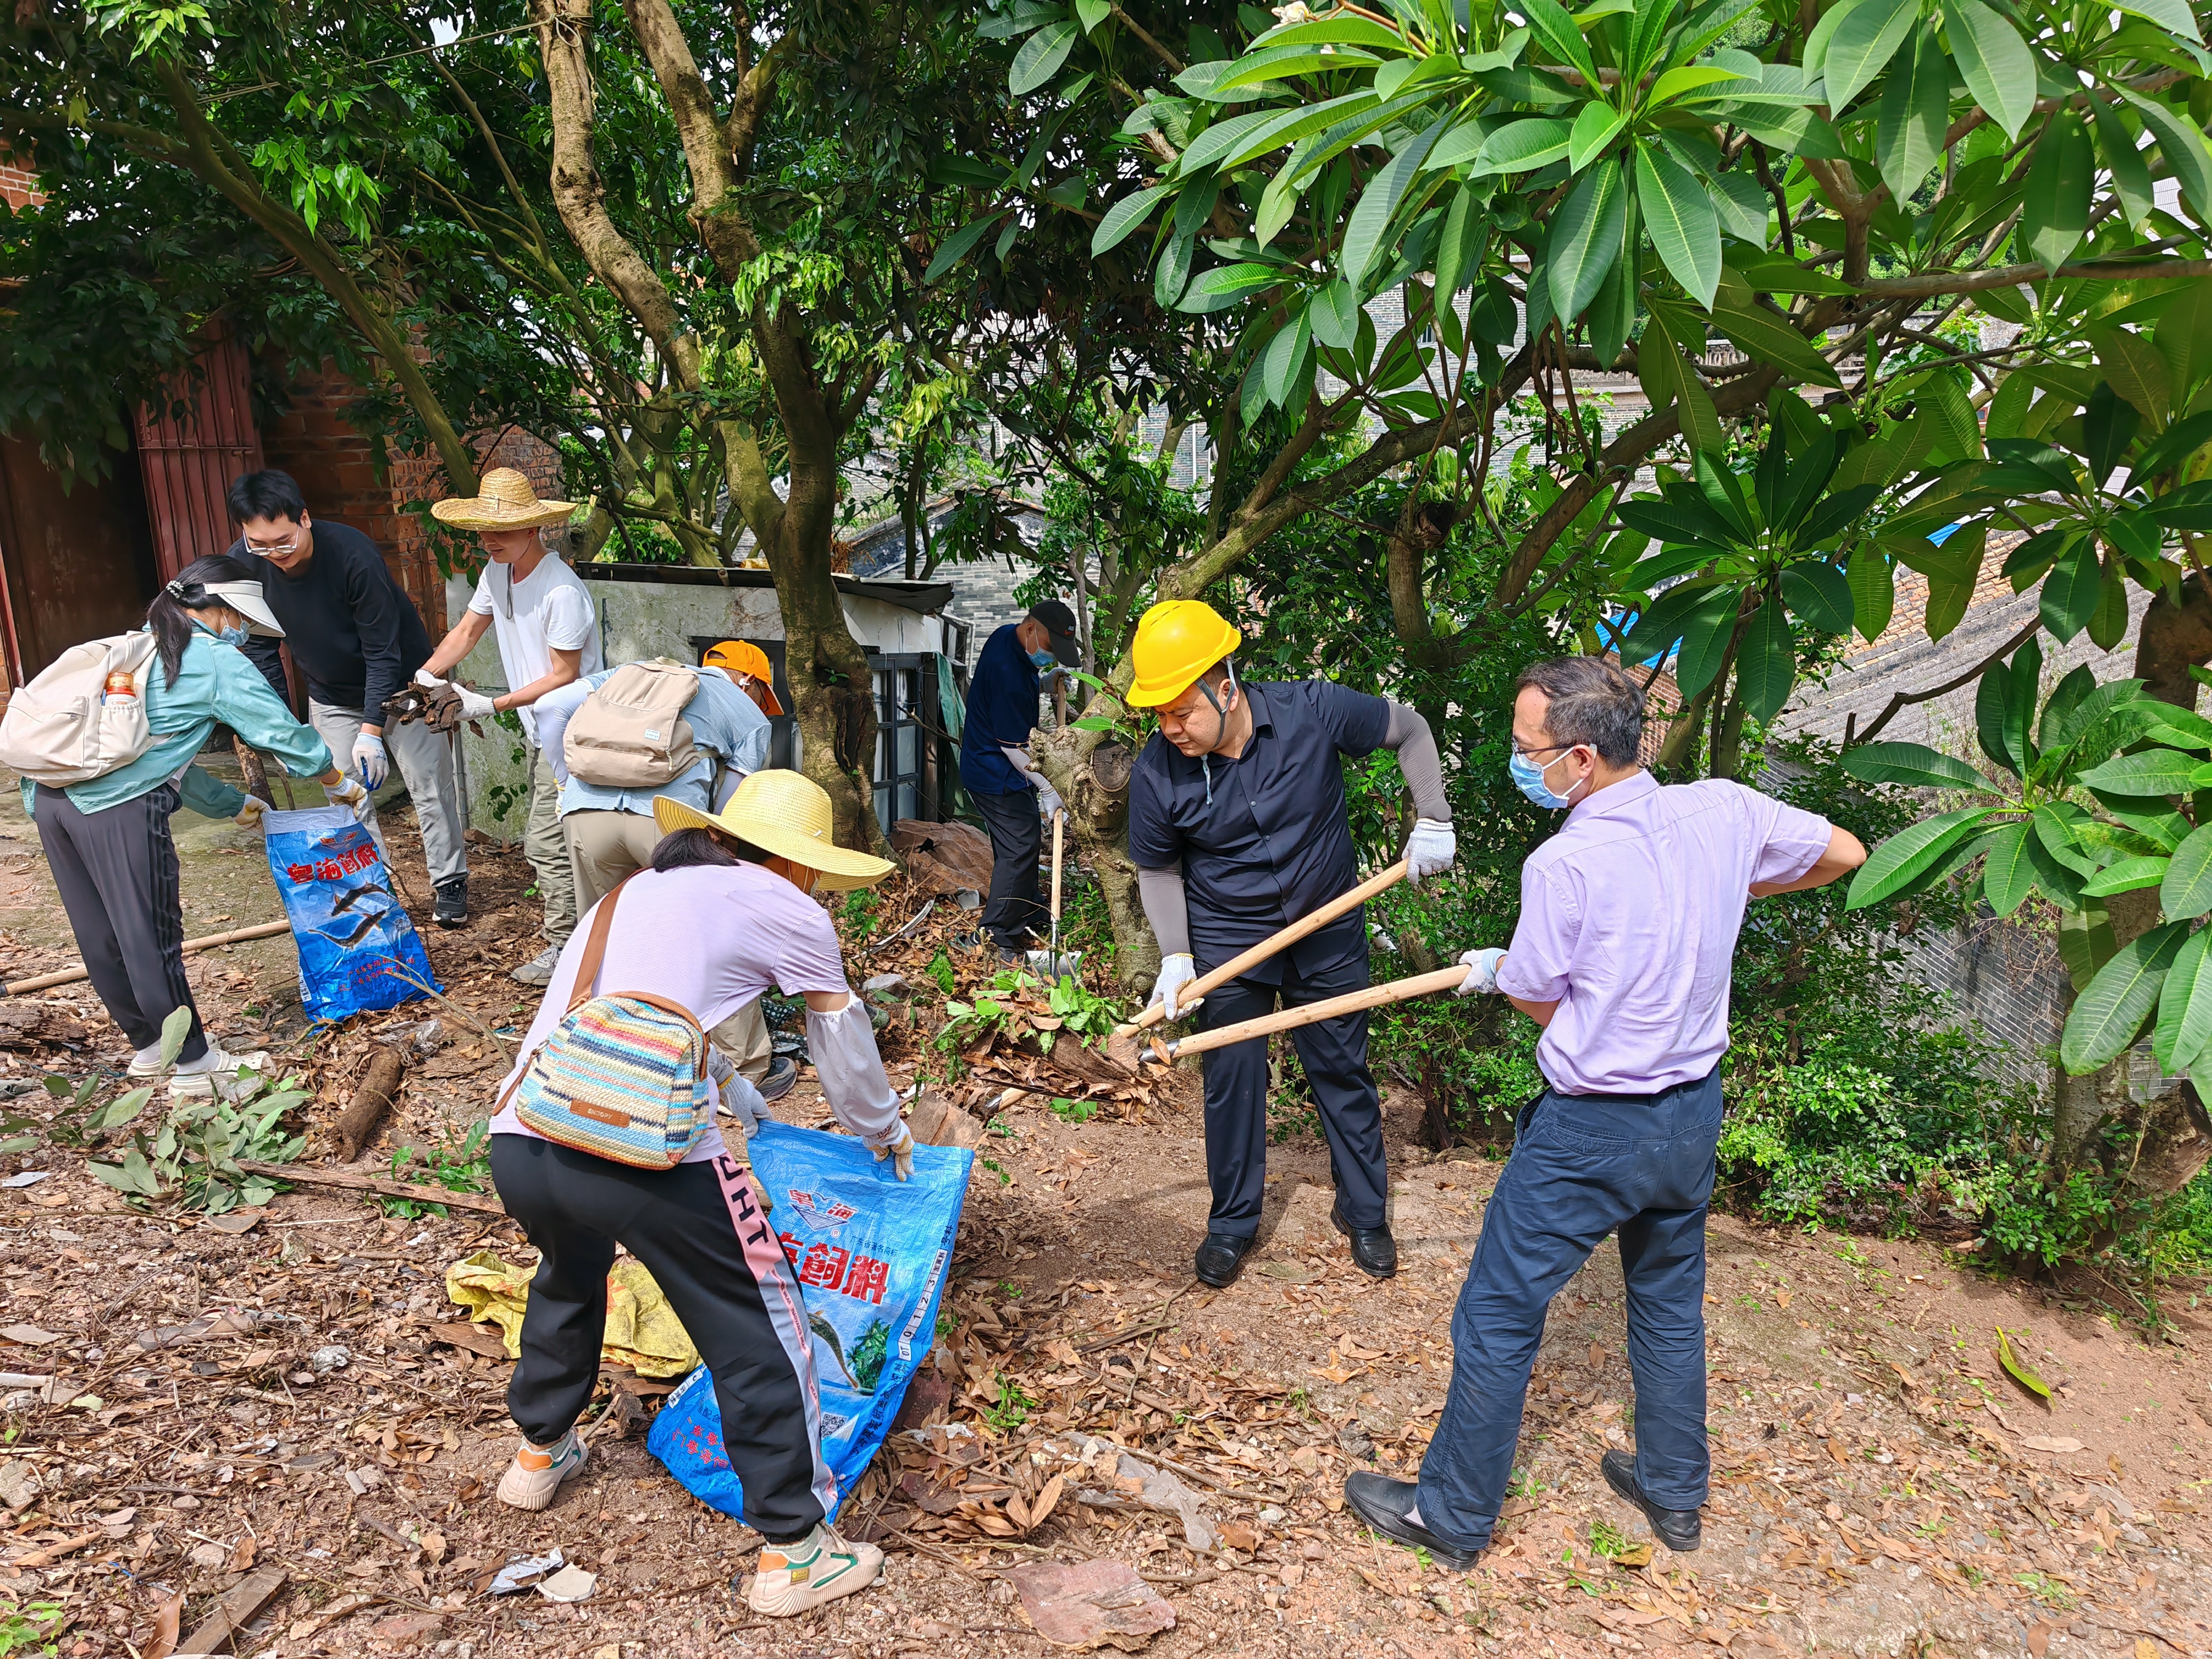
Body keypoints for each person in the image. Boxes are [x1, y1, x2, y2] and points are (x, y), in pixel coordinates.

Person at [1344, 656, 1866, 1570]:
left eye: (1526, 749)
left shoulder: (1566, 861)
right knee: (1668, 1306)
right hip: (1691, 1116)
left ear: (1580, 757)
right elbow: (1846, 853)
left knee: (1499, 1313)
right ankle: (1673, 1490)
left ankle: (1452, 1515)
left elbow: (1539, 995)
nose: (1518, 760)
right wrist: (1733, 891)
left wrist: (1503, 971)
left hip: (1592, 1131)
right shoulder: (1724, 810)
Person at [485, 769, 911, 1618]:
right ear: (797, 863)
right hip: (641, 1160)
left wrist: (736, 1092)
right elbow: (841, 1039)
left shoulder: (633, 893)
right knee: (762, 1324)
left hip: (523, 1136)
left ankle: (538, 1452)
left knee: (569, 1273)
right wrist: (885, 1129)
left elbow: (633, 1017)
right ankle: (797, 1552)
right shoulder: (788, 905)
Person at [1123, 600, 1458, 1289]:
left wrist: (1434, 816)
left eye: (1181, 712)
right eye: (1159, 715)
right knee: (1232, 1078)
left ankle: (1364, 1212)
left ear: (1226, 688)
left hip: (1326, 924)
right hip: (1228, 937)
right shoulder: (1157, 771)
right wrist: (1177, 955)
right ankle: (1232, 1224)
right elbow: (1157, 869)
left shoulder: (1312, 710)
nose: (1170, 729)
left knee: (1342, 1067)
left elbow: (1412, 729)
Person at [24, 556, 368, 1096]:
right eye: (243, 620)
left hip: (52, 801)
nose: (244, 631)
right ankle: (194, 1066)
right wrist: (334, 779)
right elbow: (280, 732)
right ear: (221, 609)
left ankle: (149, 1048)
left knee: (101, 931)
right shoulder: (210, 657)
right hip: (117, 810)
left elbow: (158, 757)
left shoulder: (137, 648)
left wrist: (236, 806)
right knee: (151, 935)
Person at [529, 655, 792, 1098]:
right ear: (748, 679)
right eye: (762, 696)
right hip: (668, 820)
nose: (760, 705)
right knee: (712, 938)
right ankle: (743, 1074)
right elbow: (730, 805)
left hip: (585, 815)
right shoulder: (744, 710)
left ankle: (609, 1064)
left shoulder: (629, 674)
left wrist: (562, 786)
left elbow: (548, 708)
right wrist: (716, 844)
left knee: (607, 939)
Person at [224, 469, 472, 929]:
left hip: (404, 686)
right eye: (259, 544)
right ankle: (376, 888)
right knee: (346, 796)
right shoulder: (245, 564)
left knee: (429, 785)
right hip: (331, 694)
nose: (274, 554)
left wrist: (372, 732)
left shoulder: (352, 554)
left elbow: (382, 651)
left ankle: (450, 880)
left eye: (283, 541)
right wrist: (282, 730)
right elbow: (261, 650)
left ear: (304, 519)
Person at [417, 469, 605, 985]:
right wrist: (426, 676)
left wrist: (490, 704)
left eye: (501, 530)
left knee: (547, 844)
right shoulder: (496, 573)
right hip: (542, 730)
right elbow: (466, 631)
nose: (489, 539)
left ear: (533, 528)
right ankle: (589, 945)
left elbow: (564, 674)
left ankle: (567, 952)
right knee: (567, 842)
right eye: (483, 529)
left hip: (576, 732)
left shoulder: (561, 590)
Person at [956, 600, 1079, 964]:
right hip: (994, 772)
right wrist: (1047, 787)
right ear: (1031, 630)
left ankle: (1027, 910)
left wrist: (1042, 683)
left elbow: (1010, 688)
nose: (1050, 655)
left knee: (1024, 839)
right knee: (1019, 847)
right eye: (1051, 647)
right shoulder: (1008, 671)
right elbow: (1013, 748)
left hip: (1001, 767)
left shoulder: (1005, 638)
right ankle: (993, 936)